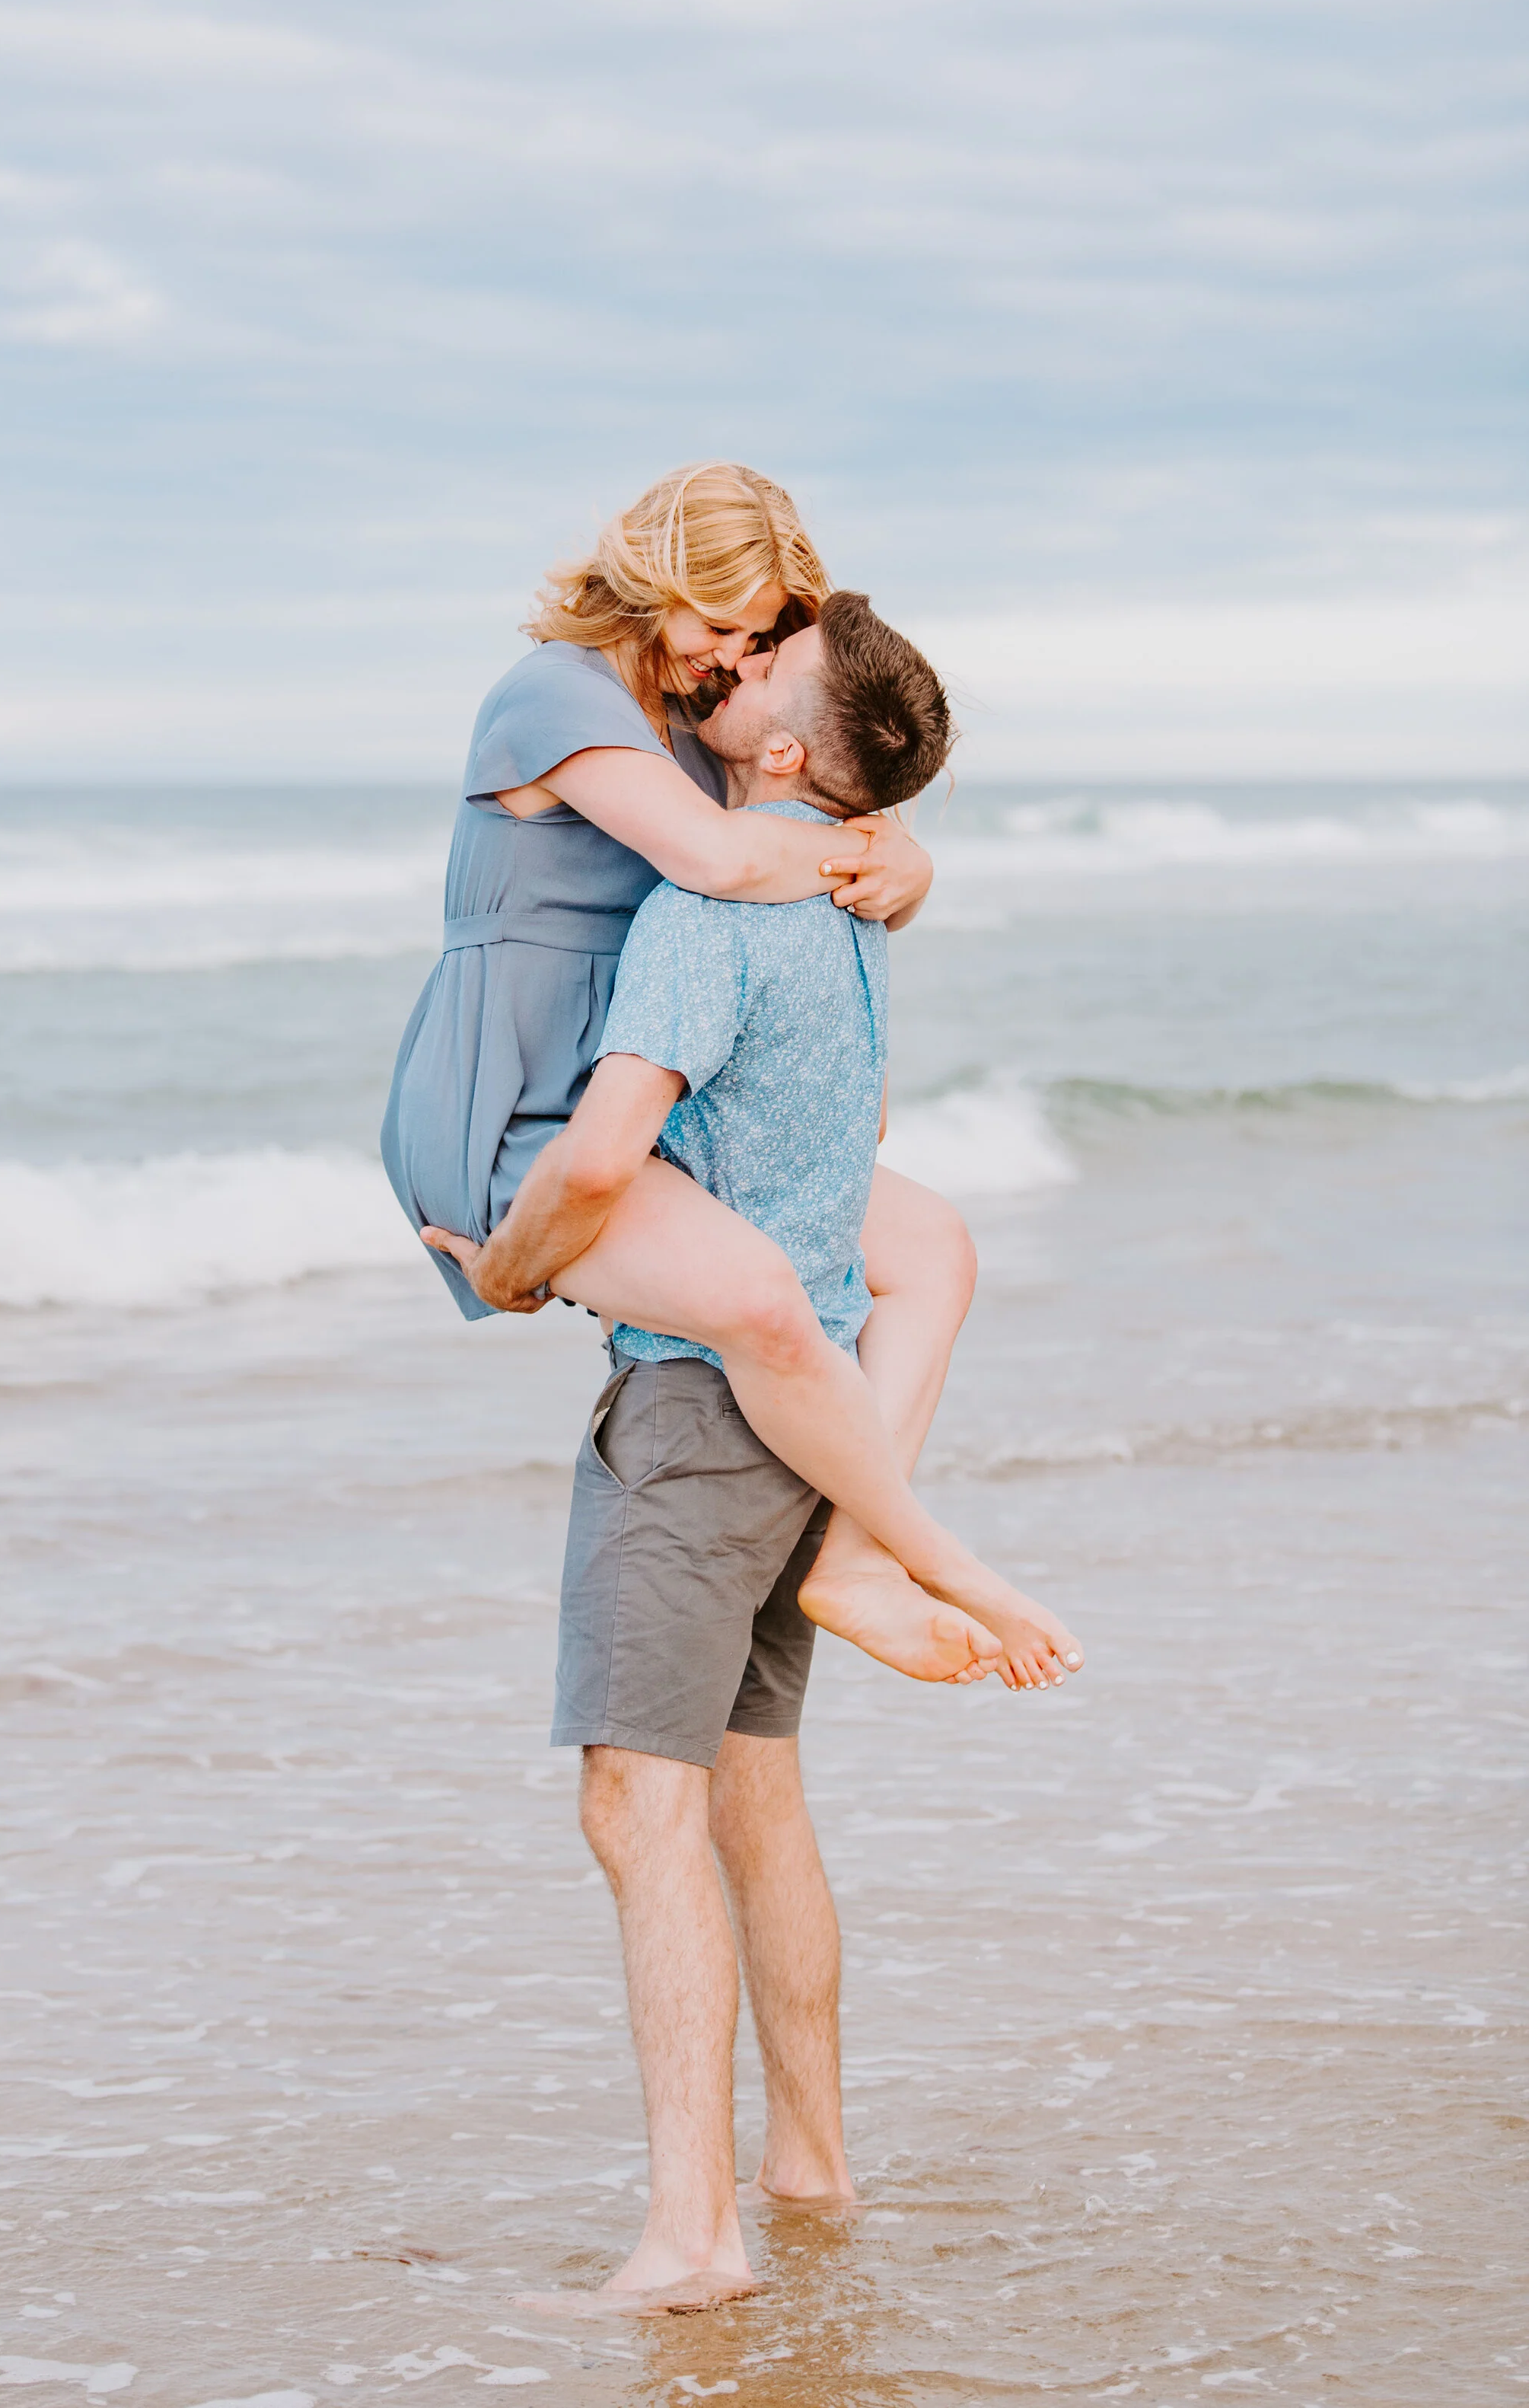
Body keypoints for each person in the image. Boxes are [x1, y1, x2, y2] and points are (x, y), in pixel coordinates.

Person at [468, 591, 1083, 2314]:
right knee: (756, 1800)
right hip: (802, 1416)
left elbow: (599, 1163)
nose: (723, 675)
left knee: (633, 1807)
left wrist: (507, 1271)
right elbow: (860, 1131)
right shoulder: (850, 906)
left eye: (758, 674)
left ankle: (689, 2239)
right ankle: (804, 2161)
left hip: (695, 1409)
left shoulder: (707, 906)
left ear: (789, 753)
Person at [386, 460, 1067, 1680]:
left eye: (758, 636)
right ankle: (944, 1559)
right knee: (764, 1301)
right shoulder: (555, 696)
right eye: (715, 624)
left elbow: (805, 790)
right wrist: (883, 858)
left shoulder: (698, 718)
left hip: (656, 1103)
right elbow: (723, 855)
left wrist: (901, 854)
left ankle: (860, 1554)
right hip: (524, 1101)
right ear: (647, 584)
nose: (728, 655)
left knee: (932, 1252)